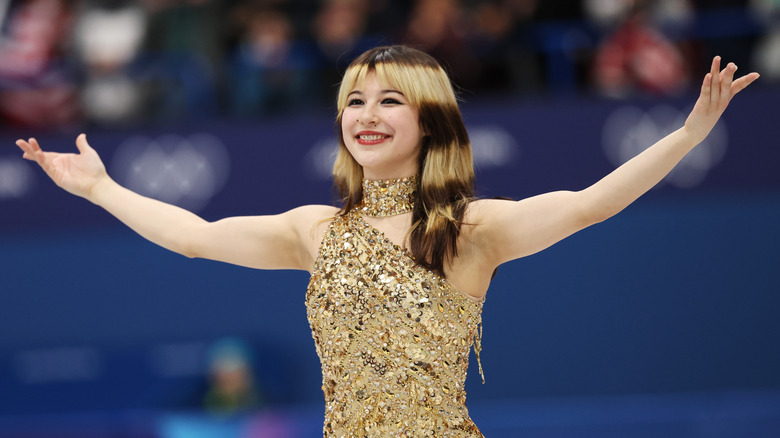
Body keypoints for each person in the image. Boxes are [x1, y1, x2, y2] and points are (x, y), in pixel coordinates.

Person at [16, 45, 758, 436]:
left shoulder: (471, 230)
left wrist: (688, 134)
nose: (366, 115)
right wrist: (101, 189)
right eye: (354, 101)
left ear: (430, 121)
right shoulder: (315, 230)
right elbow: (196, 237)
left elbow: (590, 204)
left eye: (390, 100)